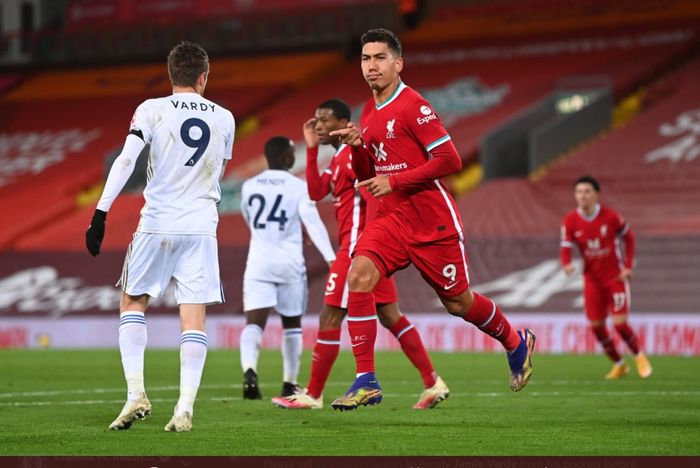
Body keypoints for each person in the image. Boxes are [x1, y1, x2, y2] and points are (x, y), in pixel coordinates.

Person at [328, 28, 535, 411]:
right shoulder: (370, 112)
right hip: (391, 219)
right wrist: (357, 149)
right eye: (365, 59)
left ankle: (514, 342)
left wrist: (396, 180)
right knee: (359, 276)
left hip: (430, 221)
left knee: (458, 303)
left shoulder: (414, 106)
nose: (371, 66)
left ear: (398, 63)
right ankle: (366, 379)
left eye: (379, 58)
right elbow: (367, 174)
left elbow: (451, 161)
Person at [85, 41, 235, 432]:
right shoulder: (226, 118)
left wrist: (101, 211)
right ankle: (184, 408)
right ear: (203, 77)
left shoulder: (151, 109)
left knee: (133, 302)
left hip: (157, 221)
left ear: (171, 75)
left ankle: (136, 393)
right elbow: (215, 171)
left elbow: (127, 160)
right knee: (193, 317)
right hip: (202, 227)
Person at [272, 99, 449, 410]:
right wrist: (312, 148)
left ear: (342, 122)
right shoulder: (339, 158)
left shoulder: (355, 155)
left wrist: (365, 246)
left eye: (325, 120)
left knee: (330, 315)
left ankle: (313, 394)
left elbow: (373, 192)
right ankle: (433, 381)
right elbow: (315, 191)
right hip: (368, 250)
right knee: (390, 315)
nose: (318, 126)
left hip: (358, 248)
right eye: (315, 120)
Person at [239, 136, 336, 401]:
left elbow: (249, 219)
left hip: (258, 261)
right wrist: (330, 257)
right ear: (284, 157)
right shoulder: (298, 186)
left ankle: (249, 371)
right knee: (291, 325)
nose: (295, 157)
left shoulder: (249, 186)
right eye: (292, 153)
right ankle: (289, 383)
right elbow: (313, 222)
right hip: (289, 263)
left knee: (253, 324)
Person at [560, 175, 652, 379]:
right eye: (578, 192)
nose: (582, 196)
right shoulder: (570, 221)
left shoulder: (611, 217)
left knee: (619, 323)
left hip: (615, 278)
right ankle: (619, 364)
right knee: (596, 326)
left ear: (596, 194)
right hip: (592, 280)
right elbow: (565, 246)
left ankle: (639, 355)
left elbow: (629, 238)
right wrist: (566, 264)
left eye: (586, 191)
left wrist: (627, 266)